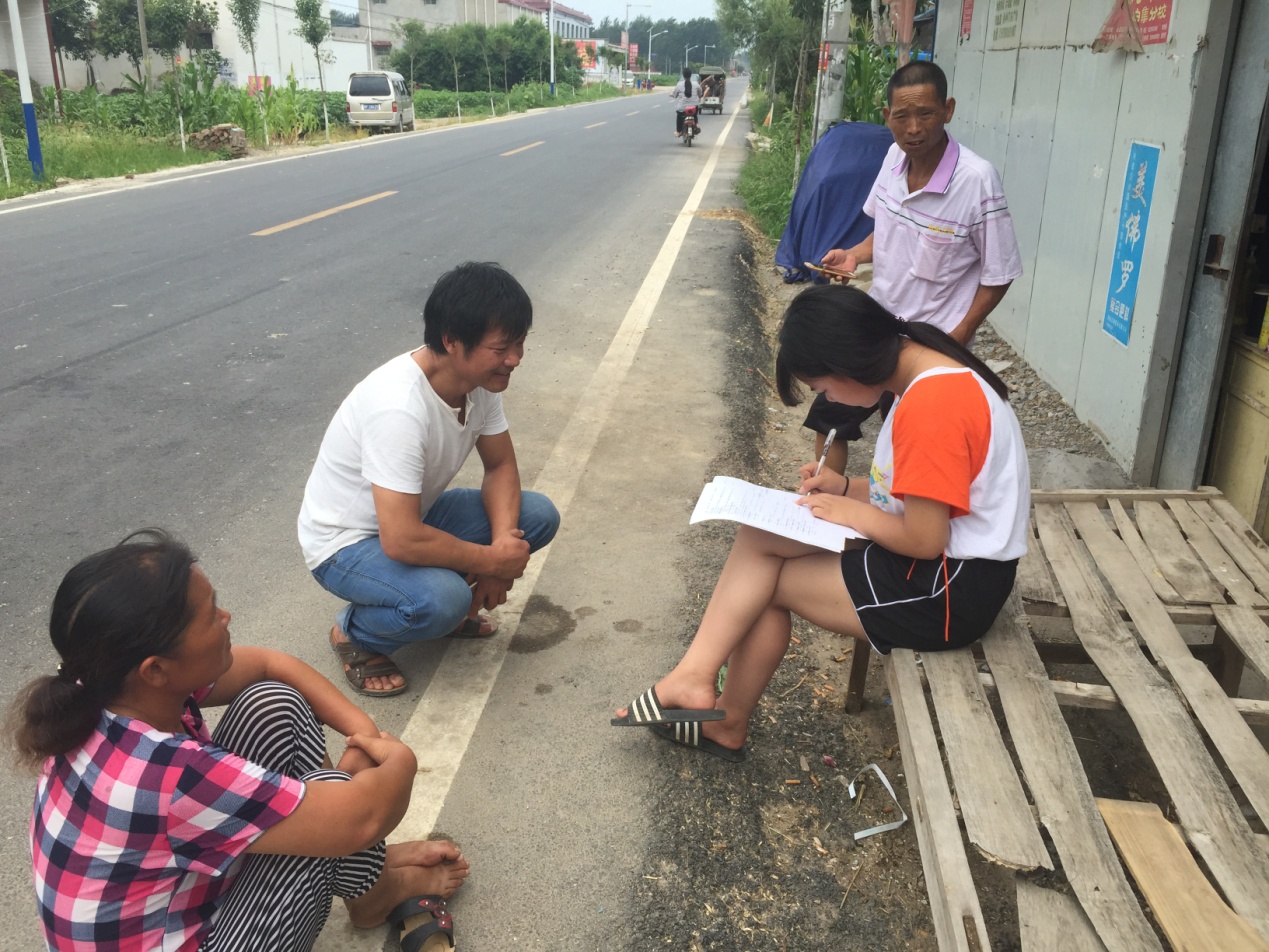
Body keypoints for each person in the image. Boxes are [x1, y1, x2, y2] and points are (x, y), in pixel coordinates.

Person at [612, 285, 1030, 762]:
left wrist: (853, 512)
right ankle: (698, 683)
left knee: (762, 587)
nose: (829, 400)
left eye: (824, 389)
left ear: (848, 365)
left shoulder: (931, 405)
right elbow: (923, 496)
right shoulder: (925, 373)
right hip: (944, 568)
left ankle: (717, 709)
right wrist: (844, 487)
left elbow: (924, 537)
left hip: (948, 591)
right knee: (760, 538)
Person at [13, 529, 469, 951]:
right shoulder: (169, 775)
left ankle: (366, 879)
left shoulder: (105, 689)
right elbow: (361, 820)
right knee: (337, 802)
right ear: (156, 669)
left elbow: (271, 664)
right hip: (180, 937)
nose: (225, 617)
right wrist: (396, 759)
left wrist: (363, 733)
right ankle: (381, 891)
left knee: (273, 704)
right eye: (210, 615)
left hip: (169, 902)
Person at [299, 262, 560, 698]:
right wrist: (492, 563)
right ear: (452, 341)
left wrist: (502, 546)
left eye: (519, 343)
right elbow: (401, 539)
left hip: (410, 518)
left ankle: (443, 609)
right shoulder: (398, 408)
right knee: (443, 599)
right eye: (501, 348)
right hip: (344, 545)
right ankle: (355, 634)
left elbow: (500, 467)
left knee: (537, 515)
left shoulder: (478, 383)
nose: (515, 359)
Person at [808, 60, 1023, 476]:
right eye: (902, 116)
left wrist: (959, 336)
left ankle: (899, 511)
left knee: (911, 439)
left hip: (930, 341)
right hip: (878, 324)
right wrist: (854, 255)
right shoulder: (893, 157)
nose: (914, 128)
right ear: (886, 116)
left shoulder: (977, 181)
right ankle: (824, 499)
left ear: (948, 110)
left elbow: (1000, 273)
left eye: (926, 114)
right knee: (831, 412)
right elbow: (887, 230)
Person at [669, 66, 700, 137]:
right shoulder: (696, 84)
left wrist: (671, 94)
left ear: (683, 75)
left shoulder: (679, 85)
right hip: (693, 108)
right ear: (691, 75)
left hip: (682, 109)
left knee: (679, 117)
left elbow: (674, 95)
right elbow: (700, 94)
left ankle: (678, 131)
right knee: (695, 114)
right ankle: (696, 125)